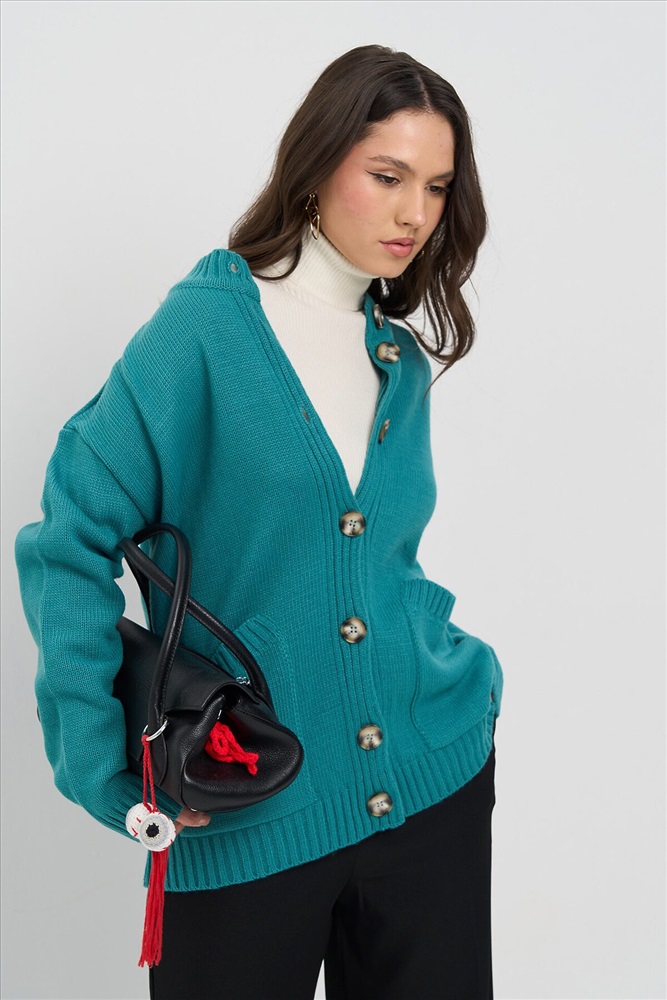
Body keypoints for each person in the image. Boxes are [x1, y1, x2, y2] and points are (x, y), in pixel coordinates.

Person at [14, 43, 504, 1000]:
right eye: (387, 176)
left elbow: (380, 565)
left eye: (437, 187)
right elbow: (68, 536)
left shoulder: (397, 360)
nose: (414, 213)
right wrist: (102, 760)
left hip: (432, 784)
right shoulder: (205, 334)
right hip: (244, 807)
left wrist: (472, 694)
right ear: (317, 166)